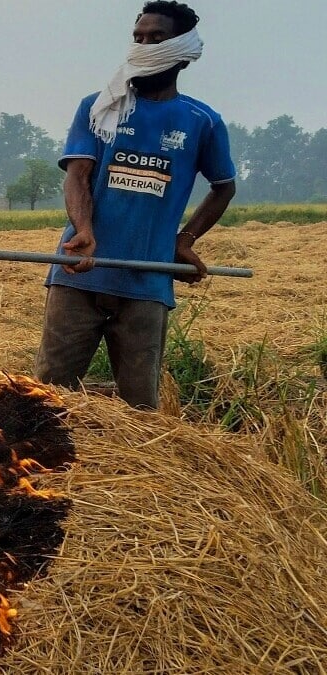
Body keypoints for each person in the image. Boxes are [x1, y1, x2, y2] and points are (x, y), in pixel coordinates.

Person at [34, 1, 236, 409]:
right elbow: (77, 175)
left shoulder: (202, 121)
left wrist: (185, 239)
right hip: (80, 274)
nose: (142, 46)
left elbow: (223, 187)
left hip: (148, 282)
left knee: (140, 409)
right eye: (137, 38)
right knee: (46, 399)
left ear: (181, 53)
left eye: (155, 39)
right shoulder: (100, 106)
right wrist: (85, 232)